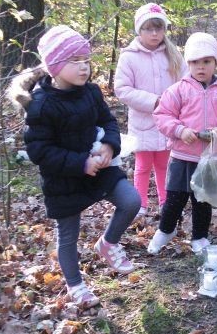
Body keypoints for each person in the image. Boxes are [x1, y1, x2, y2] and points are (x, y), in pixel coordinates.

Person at [9, 25, 141, 309]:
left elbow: (108, 122)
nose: (84, 68)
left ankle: (108, 243)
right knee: (68, 235)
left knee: (131, 201)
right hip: (64, 179)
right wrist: (80, 164)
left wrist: (109, 145)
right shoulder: (41, 105)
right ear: (55, 67)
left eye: (86, 61)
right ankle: (76, 285)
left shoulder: (91, 92)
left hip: (100, 168)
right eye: (75, 62)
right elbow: (39, 150)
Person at [148, 32, 217, 255]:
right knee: (174, 197)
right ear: (188, 63)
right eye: (195, 62)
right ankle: (166, 230)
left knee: (202, 200)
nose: (200, 67)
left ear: (215, 63)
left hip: (210, 158)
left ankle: (200, 237)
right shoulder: (178, 90)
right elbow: (162, 115)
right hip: (182, 157)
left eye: (206, 61)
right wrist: (179, 130)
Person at [114, 3, 188, 222]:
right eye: (149, 28)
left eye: (159, 28)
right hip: (142, 122)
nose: (154, 33)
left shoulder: (173, 55)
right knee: (143, 165)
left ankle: (167, 202)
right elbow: (122, 89)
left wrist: (176, 104)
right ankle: (140, 204)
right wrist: (154, 101)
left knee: (165, 165)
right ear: (140, 30)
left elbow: (186, 83)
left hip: (169, 122)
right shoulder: (129, 56)